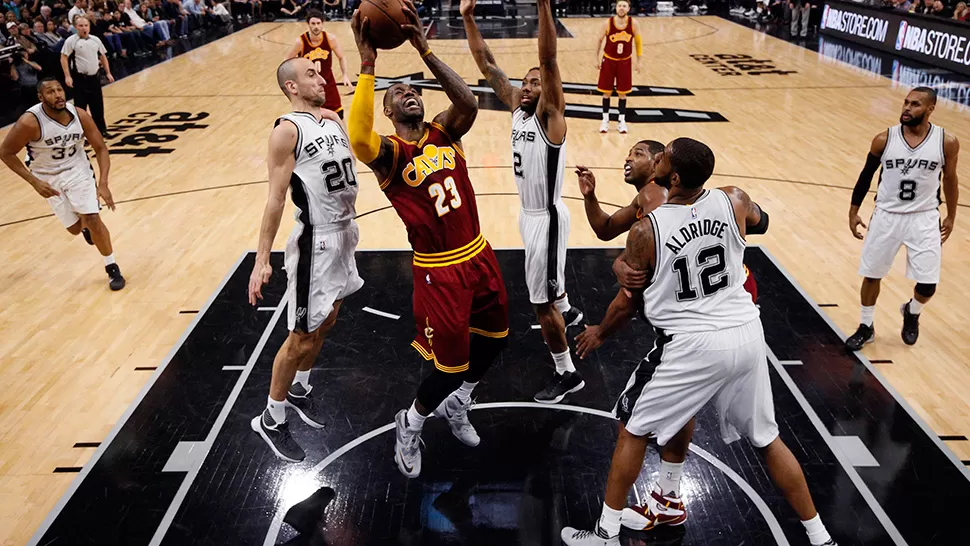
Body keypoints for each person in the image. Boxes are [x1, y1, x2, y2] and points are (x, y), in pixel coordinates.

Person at [559, 138, 836, 546]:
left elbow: (628, 298)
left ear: (671, 175)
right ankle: (820, 537)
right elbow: (762, 222)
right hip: (746, 332)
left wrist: (603, 321)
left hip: (691, 342)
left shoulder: (646, 230)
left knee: (632, 429)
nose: (656, 156)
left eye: (662, 155)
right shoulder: (734, 199)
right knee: (766, 438)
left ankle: (604, 534)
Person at [348, 3, 509, 479]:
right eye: (399, 93)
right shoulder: (389, 154)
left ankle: (458, 404)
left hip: (479, 253)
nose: (410, 94)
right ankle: (411, 422)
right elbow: (357, 137)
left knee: (496, 340)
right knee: (450, 366)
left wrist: (424, 49)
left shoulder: (445, 130)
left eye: (413, 89)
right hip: (439, 271)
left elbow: (470, 103)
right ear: (387, 109)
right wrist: (369, 66)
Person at [463, 0, 585, 405]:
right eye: (526, 82)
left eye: (536, 82)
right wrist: (467, 17)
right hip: (529, 215)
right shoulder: (517, 108)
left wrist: (543, 5)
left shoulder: (551, 117)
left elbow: (548, 58)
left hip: (547, 216)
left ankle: (566, 374)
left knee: (539, 303)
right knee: (549, 291)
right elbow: (487, 64)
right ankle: (567, 309)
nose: (529, 86)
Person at [248, 57, 363, 463]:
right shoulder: (286, 131)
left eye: (320, 72)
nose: (321, 78)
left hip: (346, 233)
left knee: (328, 319)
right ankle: (271, 418)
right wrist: (262, 259)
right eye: (311, 74)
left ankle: (299, 388)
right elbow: (276, 198)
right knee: (300, 336)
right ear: (292, 87)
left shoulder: (331, 119)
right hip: (317, 241)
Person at [845, 87, 959, 350]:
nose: (907, 108)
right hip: (887, 214)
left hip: (925, 217)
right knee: (872, 274)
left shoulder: (946, 142)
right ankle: (866, 326)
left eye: (915, 104)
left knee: (928, 283)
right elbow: (865, 176)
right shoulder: (884, 139)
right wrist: (853, 211)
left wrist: (952, 216)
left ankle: (912, 311)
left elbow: (951, 179)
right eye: (906, 103)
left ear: (930, 109)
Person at [0, 77, 125, 291]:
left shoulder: (80, 115)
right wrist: (34, 182)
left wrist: (103, 183)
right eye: (50, 91)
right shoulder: (30, 122)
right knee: (75, 229)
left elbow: (101, 148)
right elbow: (5, 152)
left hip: (78, 170)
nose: (57, 94)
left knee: (94, 219)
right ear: (41, 97)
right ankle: (84, 226)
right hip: (47, 176)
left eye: (60, 90)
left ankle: (112, 266)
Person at [284, 9, 351, 118]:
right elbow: (287, 61)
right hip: (308, 84)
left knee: (338, 113)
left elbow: (342, 57)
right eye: (313, 23)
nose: (316, 26)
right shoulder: (300, 42)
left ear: (323, 24)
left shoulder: (330, 39)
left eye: (318, 23)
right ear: (308, 25)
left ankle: (341, 134)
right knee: (312, 115)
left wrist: (345, 75)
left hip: (327, 82)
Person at [594, 0, 641, 134]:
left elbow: (638, 42)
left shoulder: (633, 23)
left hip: (625, 62)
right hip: (609, 60)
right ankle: (605, 120)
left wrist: (639, 61)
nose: (621, 8)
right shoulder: (608, 23)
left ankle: (622, 121)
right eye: (619, 6)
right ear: (616, 7)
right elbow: (599, 40)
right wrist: (595, 58)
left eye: (624, 6)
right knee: (606, 92)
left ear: (628, 8)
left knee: (622, 93)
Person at [60, 15, 113, 135]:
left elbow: (103, 56)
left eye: (86, 25)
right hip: (79, 79)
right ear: (75, 27)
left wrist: (108, 72)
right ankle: (82, 133)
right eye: (80, 26)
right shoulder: (71, 41)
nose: (84, 28)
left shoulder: (95, 39)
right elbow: (63, 58)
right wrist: (67, 76)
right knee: (80, 108)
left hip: (94, 78)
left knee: (97, 106)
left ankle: (101, 131)